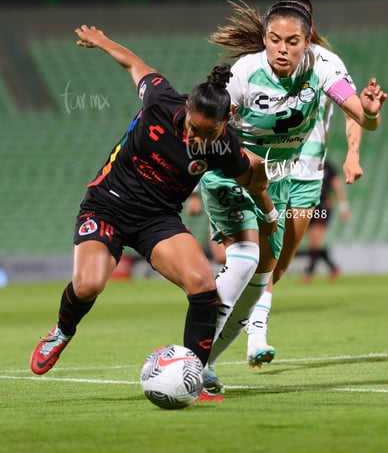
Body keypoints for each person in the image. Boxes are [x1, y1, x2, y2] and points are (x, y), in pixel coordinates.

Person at [29, 25, 277, 402]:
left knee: (203, 286)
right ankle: (62, 331)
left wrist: (268, 211)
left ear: (225, 124)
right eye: (194, 128)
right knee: (88, 285)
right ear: (187, 110)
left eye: (208, 133)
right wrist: (101, 42)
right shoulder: (161, 100)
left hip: (157, 219)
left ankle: (191, 376)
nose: (197, 139)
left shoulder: (223, 147)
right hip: (107, 203)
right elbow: (134, 64)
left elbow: (253, 178)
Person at [199, 0, 387, 393]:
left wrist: (367, 119)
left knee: (271, 268)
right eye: (274, 39)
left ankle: (208, 359)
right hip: (237, 172)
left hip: (289, 177)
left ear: (307, 37)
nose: (282, 48)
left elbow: (362, 117)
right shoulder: (245, 72)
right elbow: (208, 127)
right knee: (247, 259)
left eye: (292, 41)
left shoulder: (325, 65)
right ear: (266, 36)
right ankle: (202, 351)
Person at [244, 0, 363, 365]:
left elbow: (352, 110)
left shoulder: (326, 64)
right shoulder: (260, 65)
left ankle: (246, 313)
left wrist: (354, 154)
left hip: (310, 174)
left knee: (280, 264)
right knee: (267, 256)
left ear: (307, 30)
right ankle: (254, 334)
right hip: (275, 168)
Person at [300, 159, 350, 283]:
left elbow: (338, 187)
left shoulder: (328, 167)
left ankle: (309, 273)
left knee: (316, 241)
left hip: (323, 207)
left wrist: (344, 207)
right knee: (313, 243)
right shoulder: (305, 164)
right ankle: (333, 267)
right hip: (309, 206)